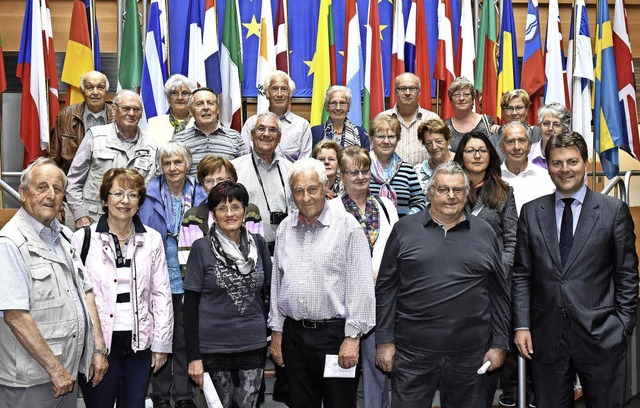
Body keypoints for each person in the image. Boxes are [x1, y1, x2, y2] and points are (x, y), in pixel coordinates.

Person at [513, 131, 639, 407]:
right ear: (548, 167)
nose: (565, 169)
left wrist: (622, 325)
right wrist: (522, 324)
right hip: (545, 336)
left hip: (602, 335)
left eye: (572, 161)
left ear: (585, 163)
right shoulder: (532, 212)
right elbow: (522, 274)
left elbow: (627, 274)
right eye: (557, 163)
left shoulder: (613, 211)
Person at [375, 161, 510, 408]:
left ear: (467, 194)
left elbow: (499, 293)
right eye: (443, 189)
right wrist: (384, 340)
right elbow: (386, 289)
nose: (451, 196)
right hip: (413, 353)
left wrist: (500, 342)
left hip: (471, 355)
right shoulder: (404, 229)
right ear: (430, 193)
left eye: (458, 190)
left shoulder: (485, 232)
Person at [269, 158, 376, 408]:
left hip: (335, 337)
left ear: (326, 185)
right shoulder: (285, 228)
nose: (306, 197)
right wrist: (277, 332)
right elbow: (277, 285)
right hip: (294, 336)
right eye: (298, 191)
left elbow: (361, 287)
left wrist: (353, 337)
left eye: (312, 189)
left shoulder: (348, 227)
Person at [0, 158, 107, 407]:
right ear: (23, 194)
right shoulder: (9, 243)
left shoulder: (66, 237)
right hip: (32, 381)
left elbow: (86, 292)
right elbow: (16, 316)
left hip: (67, 374)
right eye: (42, 187)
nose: (51, 195)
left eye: (57, 189)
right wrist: (55, 370)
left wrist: (97, 349)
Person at [72, 168, 174, 408]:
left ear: (140, 202)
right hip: (98, 343)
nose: (125, 201)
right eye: (117, 193)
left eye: (133, 194)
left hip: (139, 343)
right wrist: (93, 347)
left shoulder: (152, 239)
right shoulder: (82, 239)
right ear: (104, 199)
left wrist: (161, 344)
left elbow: (161, 293)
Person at [184, 181, 272, 408]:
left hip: (252, 344)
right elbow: (190, 307)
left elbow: (269, 294)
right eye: (222, 208)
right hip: (213, 348)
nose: (230, 213)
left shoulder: (259, 245)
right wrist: (194, 357)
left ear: (245, 210)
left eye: (235, 206)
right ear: (213, 214)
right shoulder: (201, 248)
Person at [139, 143, 207, 408]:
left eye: (178, 162)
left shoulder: (200, 194)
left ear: (187, 164)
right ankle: (159, 395)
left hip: (189, 275)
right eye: (167, 163)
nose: (172, 168)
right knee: (158, 337)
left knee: (181, 338)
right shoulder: (149, 193)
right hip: (157, 274)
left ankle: (182, 395)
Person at [330, 146, 398, 408]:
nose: (360, 176)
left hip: (381, 298)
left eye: (365, 171)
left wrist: (384, 271)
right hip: (344, 301)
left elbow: (395, 247)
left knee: (378, 368)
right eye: (353, 171)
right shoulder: (331, 208)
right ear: (341, 175)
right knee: (342, 370)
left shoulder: (386, 205)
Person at [66, 89, 158, 229]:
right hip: (94, 221)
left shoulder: (152, 145)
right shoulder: (96, 137)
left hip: (134, 224)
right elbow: (73, 182)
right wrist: (80, 215)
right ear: (114, 110)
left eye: (136, 109)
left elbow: (155, 189)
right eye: (126, 108)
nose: (131, 113)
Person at [179, 156, 264, 267]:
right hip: (206, 281)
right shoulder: (192, 217)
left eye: (221, 180)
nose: (215, 186)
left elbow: (258, 255)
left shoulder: (251, 213)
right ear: (203, 185)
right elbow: (187, 262)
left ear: (232, 180)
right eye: (209, 181)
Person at [233, 112, 292, 253]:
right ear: (252, 135)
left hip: (284, 249)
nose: (266, 134)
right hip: (245, 250)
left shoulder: (291, 170)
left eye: (272, 130)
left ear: (279, 138)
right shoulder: (235, 169)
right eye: (261, 129)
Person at [173, 88, 249, 176]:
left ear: (217, 109)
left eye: (210, 103)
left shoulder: (235, 137)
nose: (205, 107)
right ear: (190, 111)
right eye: (199, 104)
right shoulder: (179, 140)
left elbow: (245, 171)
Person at [50, 70, 113, 174]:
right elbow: (54, 157)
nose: (95, 92)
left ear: (106, 90)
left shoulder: (118, 116)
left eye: (100, 87)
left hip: (108, 182)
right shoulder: (65, 115)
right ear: (82, 91)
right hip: (72, 181)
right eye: (90, 87)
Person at [242, 70, 312, 162]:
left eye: (284, 89)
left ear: (290, 93)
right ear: (267, 94)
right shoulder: (252, 123)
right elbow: (244, 158)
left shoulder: (302, 125)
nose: (279, 94)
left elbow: (304, 164)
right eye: (274, 89)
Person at [368, 115, 426, 217]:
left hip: (402, 230)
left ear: (398, 139)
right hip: (367, 229)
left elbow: (420, 202)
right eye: (381, 136)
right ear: (371, 139)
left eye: (391, 137)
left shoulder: (407, 169)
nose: (386, 141)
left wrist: (407, 220)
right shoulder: (362, 168)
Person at [377, 73, 440, 166]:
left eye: (412, 88)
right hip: (390, 179)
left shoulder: (432, 119)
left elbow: (443, 154)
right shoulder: (382, 119)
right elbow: (373, 154)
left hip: (425, 179)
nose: (407, 93)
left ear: (419, 92)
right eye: (402, 89)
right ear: (395, 92)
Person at [500, 121, 555, 214]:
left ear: (529, 146)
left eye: (522, 141)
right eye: (510, 141)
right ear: (502, 147)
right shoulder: (493, 178)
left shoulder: (547, 178)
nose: (517, 147)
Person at [445, 77, 499, 152]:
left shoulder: (487, 122)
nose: (461, 98)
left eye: (466, 94)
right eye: (457, 95)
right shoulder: (445, 127)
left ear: (472, 98)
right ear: (451, 100)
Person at [310, 85, 370, 150]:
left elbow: (365, 159)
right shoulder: (315, 132)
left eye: (342, 103)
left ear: (348, 107)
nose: (338, 108)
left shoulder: (361, 133)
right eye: (333, 103)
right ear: (327, 107)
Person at [147, 74, 197, 147]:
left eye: (185, 93)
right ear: (168, 98)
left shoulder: (198, 123)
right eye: (174, 93)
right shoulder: (154, 123)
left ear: (191, 98)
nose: (180, 98)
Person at [494, 90, 542, 159]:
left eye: (519, 108)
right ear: (503, 112)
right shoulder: (494, 139)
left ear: (527, 110)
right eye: (509, 108)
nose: (514, 113)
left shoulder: (537, 134)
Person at [414, 117, 455, 196]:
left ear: (448, 140)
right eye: (428, 143)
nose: (434, 147)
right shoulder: (418, 171)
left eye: (439, 141)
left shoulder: (461, 163)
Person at [529, 102, 571, 170]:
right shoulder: (527, 153)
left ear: (564, 129)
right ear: (539, 125)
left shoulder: (572, 153)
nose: (550, 128)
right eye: (546, 123)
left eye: (556, 124)